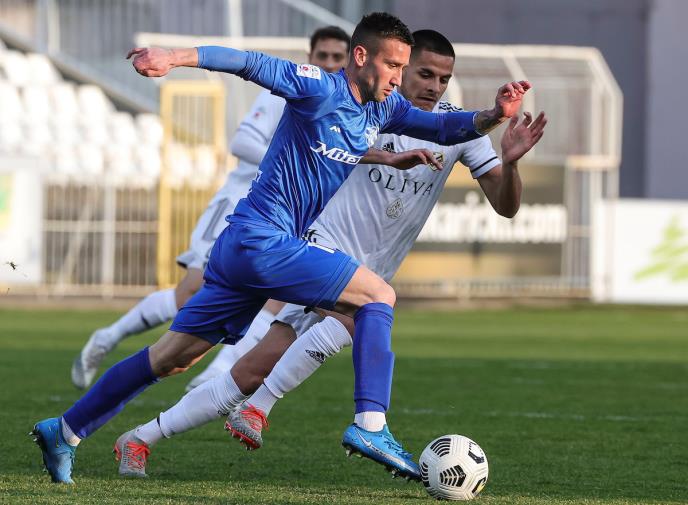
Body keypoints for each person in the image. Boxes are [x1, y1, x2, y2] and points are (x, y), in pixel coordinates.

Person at [32, 12, 528, 484]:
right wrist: (173, 57)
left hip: (249, 249)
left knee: (171, 358)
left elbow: (444, 128)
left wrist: (494, 115)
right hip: (261, 239)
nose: (399, 77)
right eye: (393, 65)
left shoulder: (385, 107)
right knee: (377, 296)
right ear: (360, 56)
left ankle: (65, 430)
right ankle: (371, 426)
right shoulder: (318, 87)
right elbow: (246, 62)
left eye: (403, 67)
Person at [71, 26, 351, 391]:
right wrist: (290, 160)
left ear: (349, 60)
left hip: (280, 218)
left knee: (273, 297)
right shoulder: (287, 92)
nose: (329, 63)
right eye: (322, 55)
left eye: (337, 57)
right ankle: (108, 337)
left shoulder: (346, 109)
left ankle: (215, 375)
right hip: (238, 203)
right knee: (191, 292)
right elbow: (242, 142)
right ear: (310, 57)